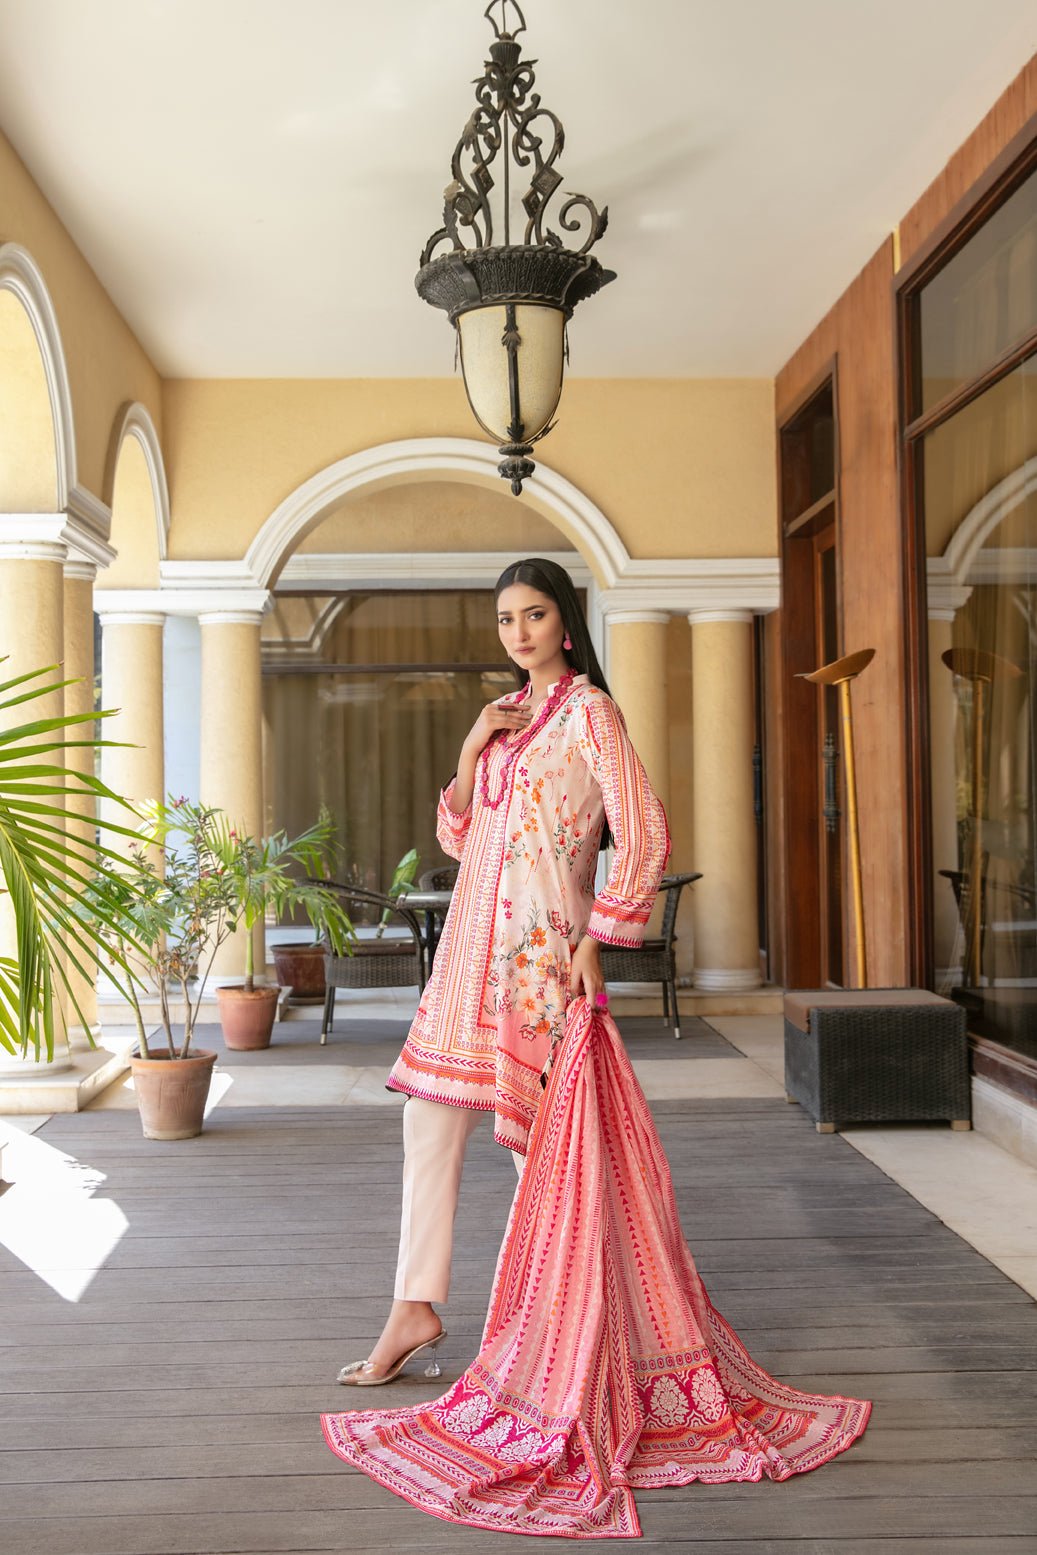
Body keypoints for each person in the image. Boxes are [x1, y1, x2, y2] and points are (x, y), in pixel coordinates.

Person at [336, 556, 670, 1385]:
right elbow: (461, 836)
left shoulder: (590, 712)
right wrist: (472, 742)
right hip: (467, 953)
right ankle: (413, 1305)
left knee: (541, 1147)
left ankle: (561, 1327)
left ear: (565, 622)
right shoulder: (506, 715)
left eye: (533, 614)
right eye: (505, 619)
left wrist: (598, 938)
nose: (518, 632)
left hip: (537, 958)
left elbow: (646, 831)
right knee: (427, 1118)